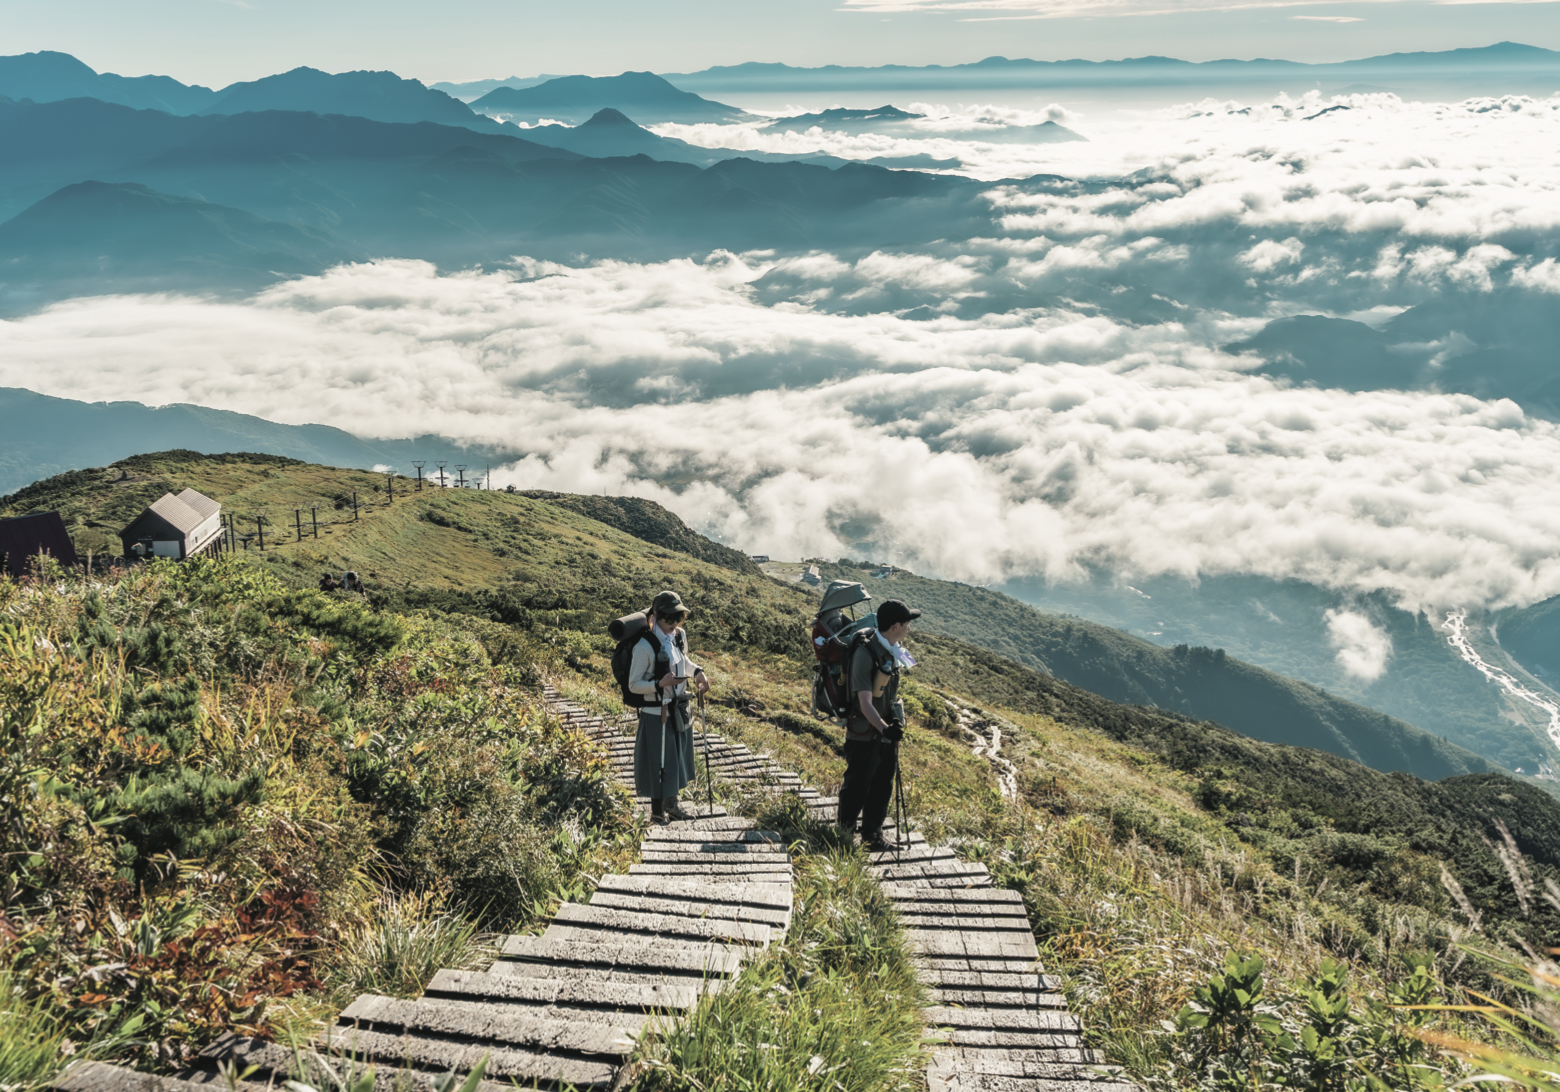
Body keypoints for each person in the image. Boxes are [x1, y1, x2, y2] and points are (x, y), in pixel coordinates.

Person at [838, 598, 920, 851]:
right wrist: (885, 728)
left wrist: (893, 722)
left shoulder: (892, 650)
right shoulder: (866, 654)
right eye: (907, 624)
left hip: (884, 731)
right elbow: (864, 702)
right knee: (857, 787)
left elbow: (887, 694)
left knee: (883, 784)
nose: (909, 628)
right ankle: (843, 838)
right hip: (864, 734)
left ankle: (872, 836)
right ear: (896, 625)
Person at [629, 590, 711, 824]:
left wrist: (697, 672)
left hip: (676, 709)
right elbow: (634, 685)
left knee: (673, 759)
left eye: (679, 617)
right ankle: (656, 813)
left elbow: (682, 660)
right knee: (657, 762)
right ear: (656, 616)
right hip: (656, 713)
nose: (674, 623)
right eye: (669, 619)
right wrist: (659, 684)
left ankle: (672, 806)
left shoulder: (677, 637)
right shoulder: (644, 647)